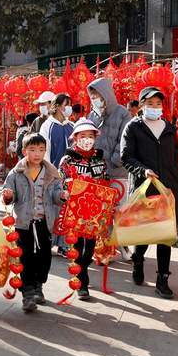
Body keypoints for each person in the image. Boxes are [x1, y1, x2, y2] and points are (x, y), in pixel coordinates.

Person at [120, 87, 178, 299]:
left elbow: (175, 159)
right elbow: (126, 157)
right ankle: (138, 258)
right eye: (150, 104)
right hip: (145, 187)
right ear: (141, 106)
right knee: (147, 233)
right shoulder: (133, 127)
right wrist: (143, 170)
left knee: (165, 235)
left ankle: (162, 279)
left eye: (158, 104)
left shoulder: (169, 128)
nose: (155, 108)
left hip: (169, 189)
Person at [2, 134, 64, 312]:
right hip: (24, 222)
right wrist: (8, 195)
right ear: (24, 151)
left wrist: (61, 196)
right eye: (32, 150)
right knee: (25, 256)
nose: (37, 154)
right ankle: (27, 292)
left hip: (44, 221)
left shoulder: (52, 173)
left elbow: (56, 195)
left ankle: (39, 286)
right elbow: (10, 193)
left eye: (41, 150)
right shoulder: (16, 173)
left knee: (44, 255)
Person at [59, 118, 108, 300]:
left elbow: (106, 179)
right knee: (79, 246)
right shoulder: (68, 159)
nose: (87, 139)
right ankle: (82, 282)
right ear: (75, 138)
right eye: (83, 136)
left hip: (94, 210)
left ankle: (84, 268)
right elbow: (60, 181)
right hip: (76, 210)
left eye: (90, 135)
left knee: (90, 248)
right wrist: (67, 189)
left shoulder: (100, 159)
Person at [87, 77, 132, 179]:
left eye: (96, 93)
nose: (93, 97)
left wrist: (115, 161)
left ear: (105, 93)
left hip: (116, 172)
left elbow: (125, 140)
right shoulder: (92, 115)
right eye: (92, 94)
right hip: (96, 171)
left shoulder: (123, 113)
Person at [39, 93, 75, 168]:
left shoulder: (72, 126)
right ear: (57, 106)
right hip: (55, 173)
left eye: (70, 105)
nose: (69, 108)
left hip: (73, 173)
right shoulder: (47, 126)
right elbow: (44, 151)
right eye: (66, 105)